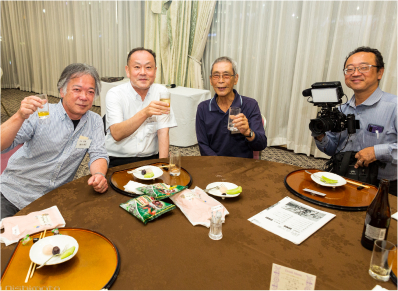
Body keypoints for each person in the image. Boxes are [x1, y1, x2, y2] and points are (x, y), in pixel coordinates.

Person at [0, 63, 109, 219]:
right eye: (77, 90)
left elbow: (98, 153)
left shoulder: (95, 121)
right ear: (61, 91)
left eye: (90, 92)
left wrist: (99, 174)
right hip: (12, 194)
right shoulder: (41, 112)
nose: (84, 97)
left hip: (51, 202)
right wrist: (19, 116)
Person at [314, 47, 397, 195]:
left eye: (364, 67)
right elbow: (332, 149)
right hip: (344, 178)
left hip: (384, 186)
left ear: (380, 72)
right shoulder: (341, 110)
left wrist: (376, 152)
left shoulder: (394, 107)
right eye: (350, 69)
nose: (356, 73)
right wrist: (320, 136)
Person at [105, 47, 177, 168]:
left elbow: (163, 131)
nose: (143, 72)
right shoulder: (115, 94)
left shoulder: (162, 92)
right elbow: (117, 134)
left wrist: (162, 165)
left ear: (155, 71)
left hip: (150, 158)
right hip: (118, 158)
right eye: (137, 67)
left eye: (148, 67)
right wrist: (145, 113)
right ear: (127, 70)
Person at [195, 56, 267, 158]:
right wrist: (218, 166)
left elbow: (261, 145)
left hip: (243, 166)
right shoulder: (203, 108)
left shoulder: (250, 105)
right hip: (214, 165)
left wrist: (248, 132)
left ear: (235, 79)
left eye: (226, 75)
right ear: (211, 80)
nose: (221, 80)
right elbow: (203, 145)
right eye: (216, 76)